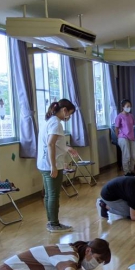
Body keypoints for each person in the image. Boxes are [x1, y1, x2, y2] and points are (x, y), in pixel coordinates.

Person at [37, 99, 78, 233]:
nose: (69, 117)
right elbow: (50, 144)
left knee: (49, 195)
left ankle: (51, 221)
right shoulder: (56, 123)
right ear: (64, 110)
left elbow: (55, 143)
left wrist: (67, 148)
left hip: (44, 164)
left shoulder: (49, 121)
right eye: (69, 113)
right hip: (51, 164)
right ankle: (54, 224)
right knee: (54, 195)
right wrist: (53, 166)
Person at [115, 99, 135, 176]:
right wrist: (118, 137)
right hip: (123, 137)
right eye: (127, 106)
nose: (129, 108)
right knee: (126, 155)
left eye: (130, 106)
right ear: (123, 107)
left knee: (133, 156)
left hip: (131, 137)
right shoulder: (119, 116)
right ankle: (126, 172)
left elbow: (132, 126)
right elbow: (116, 128)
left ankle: (131, 171)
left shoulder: (131, 116)